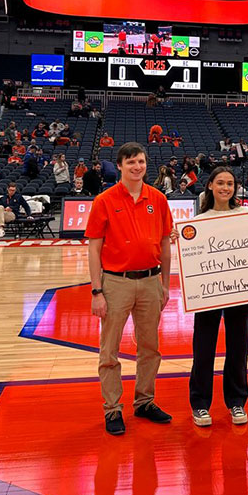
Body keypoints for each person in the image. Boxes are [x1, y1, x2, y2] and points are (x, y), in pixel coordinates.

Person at [85, 142, 173, 435]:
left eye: (141, 162)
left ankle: (145, 402)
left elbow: (164, 243)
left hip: (150, 281)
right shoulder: (105, 200)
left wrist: (165, 284)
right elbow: (94, 247)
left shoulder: (158, 199)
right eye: (131, 162)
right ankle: (112, 409)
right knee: (109, 350)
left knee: (150, 348)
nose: (137, 167)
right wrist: (96, 290)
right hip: (115, 283)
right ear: (120, 166)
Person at [189, 167, 248, 427]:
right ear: (210, 186)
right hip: (208, 291)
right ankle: (200, 405)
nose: (225, 188)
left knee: (239, 347)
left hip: (241, 289)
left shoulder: (246, 214)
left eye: (230, 183)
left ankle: (236, 402)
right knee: (204, 349)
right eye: (220, 183)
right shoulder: (200, 220)